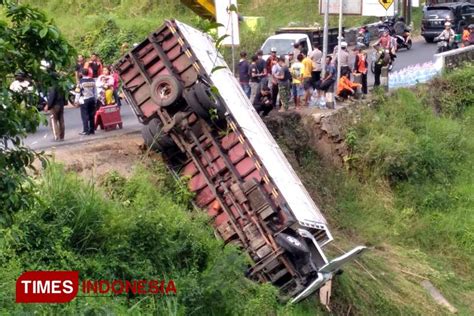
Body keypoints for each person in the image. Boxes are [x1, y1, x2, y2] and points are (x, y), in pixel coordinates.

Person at [44, 74, 67, 141]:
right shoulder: (61, 86)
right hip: (61, 104)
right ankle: (62, 136)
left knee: (53, 121)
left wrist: (48, 105)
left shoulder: (53, 87)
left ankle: (56, 136)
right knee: (61, 121)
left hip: (55, 105)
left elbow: (52, 97)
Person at [79, 68, 97, 135]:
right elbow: (95, 91)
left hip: (84, 99)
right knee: (91, 115)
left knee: (84, 115)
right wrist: (95, 99)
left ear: (82, 73)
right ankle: (92, 130)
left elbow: (78, 91)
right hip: (92, 99)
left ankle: (85, 130)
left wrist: (76, 100)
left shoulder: (81, 81)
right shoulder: (92, 80)